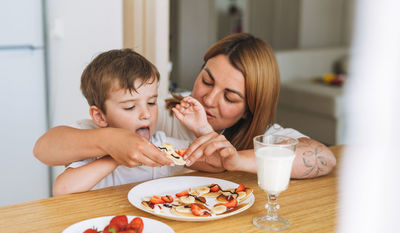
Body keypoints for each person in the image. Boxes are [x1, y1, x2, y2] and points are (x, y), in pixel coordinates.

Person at [34, 33, 336, 179]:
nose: (208, 99)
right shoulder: (155, 113)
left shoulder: (259, 133)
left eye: (230, 97)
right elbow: (46, 149)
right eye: (206, 80)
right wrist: (110, 140)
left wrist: (235, 160)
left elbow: (324, 158)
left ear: (249, 109)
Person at [51, 49, 212, 196]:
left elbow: (216, 164)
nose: (146, 114)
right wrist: (115, 158)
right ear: (100, 116)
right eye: (129, 107)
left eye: (151, 103)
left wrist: (204, 130)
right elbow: (62, 189)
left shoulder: (162, 145)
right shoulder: (93, 151)